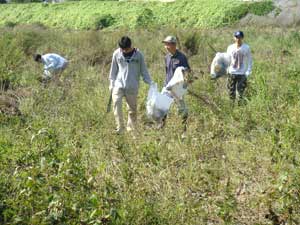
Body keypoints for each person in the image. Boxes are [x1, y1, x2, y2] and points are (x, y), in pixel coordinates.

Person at [109, 36, 153, 134]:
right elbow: (113, 71)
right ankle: (120, 128)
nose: (124, 51)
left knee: (132, 110)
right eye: (122, 49)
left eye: (126, 49)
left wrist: (151, 83)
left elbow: (144, 71)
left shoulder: (138, 55)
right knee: (116, 104)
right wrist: (111, 83)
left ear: (130, 46)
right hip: (119, 85)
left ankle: (131, 130)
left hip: (132, 86)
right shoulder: (117, 54)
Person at [160, 35, 191, 132]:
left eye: (167, 44)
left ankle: (184, 128)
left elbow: (187, 72)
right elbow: (167, 71)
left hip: (177, 87)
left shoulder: (182, 57)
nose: (165, 47)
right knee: (162, 105)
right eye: (165, 44)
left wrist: (183, 87)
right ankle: (162, 125)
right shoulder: (167, 57)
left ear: (173, 45)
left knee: (181, 108)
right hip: (167, 85)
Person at [226, 31, 252, 102]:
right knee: (231, 92)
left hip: (242, 73)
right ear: (234, 38)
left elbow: (250, 60)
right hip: (232, 72)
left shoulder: (246, 47)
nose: (238, 39)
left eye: (240, 37)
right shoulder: (230, 47)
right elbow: (227, 59)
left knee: (240, 93)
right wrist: (227, 69)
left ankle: (240, 108)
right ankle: (231, 107)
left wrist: (248, 71)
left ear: (242, 38)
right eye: (236, 37)